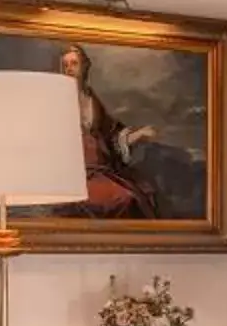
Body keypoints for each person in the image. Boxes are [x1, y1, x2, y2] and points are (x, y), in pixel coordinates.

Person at [55, 45, 159, 218]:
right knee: (124, 200)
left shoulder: (92, 100)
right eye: (65, 65)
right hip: (73, 173)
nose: (69, 69)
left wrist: (137, 135)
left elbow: (111, 136)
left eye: (74, 63)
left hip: (100, 170)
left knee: (140, 196)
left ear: (84, 67)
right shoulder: (55, 100)